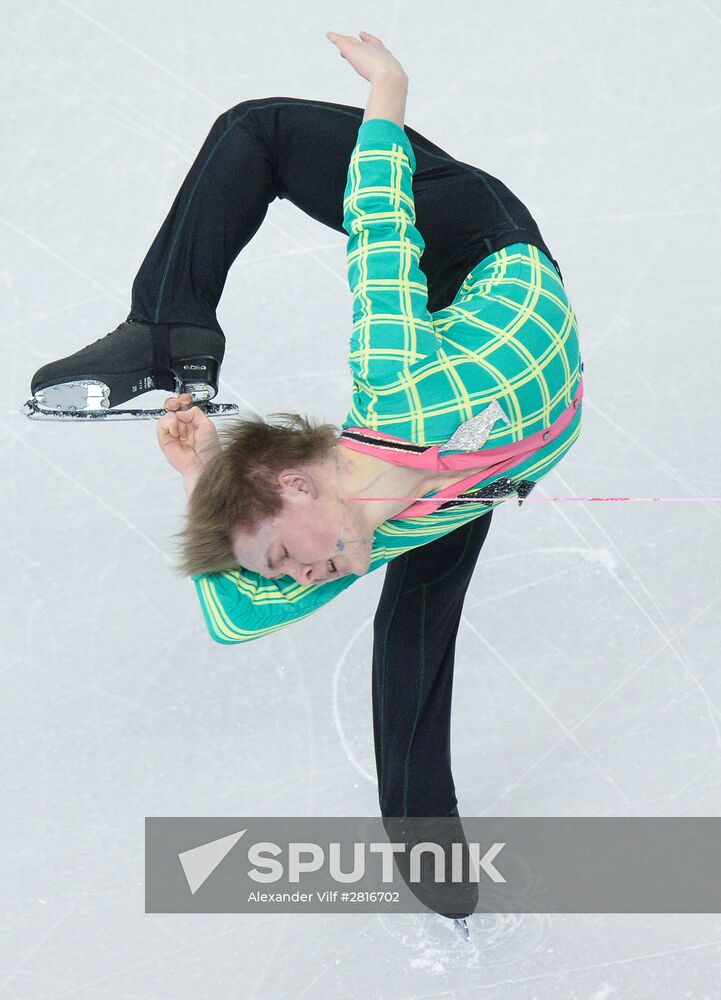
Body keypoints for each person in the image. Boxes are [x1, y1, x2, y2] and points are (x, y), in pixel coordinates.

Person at [28, 33, 583, 839]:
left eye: (286, 558)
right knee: (420, 613)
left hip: (476, 246)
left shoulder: (395, 380)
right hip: (456, 448)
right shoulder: (374, 526)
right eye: (285, 572)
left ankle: (166, 328)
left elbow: (382, 220)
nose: (303, 576)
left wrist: (389, 86)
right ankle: (424, 834)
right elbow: (236, 618)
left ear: (296, 483)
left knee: (261, 131)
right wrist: (203, 481)